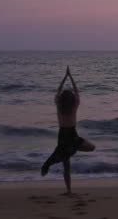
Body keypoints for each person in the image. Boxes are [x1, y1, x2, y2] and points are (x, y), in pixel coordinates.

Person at [41, 66, 95, 195]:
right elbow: (77, 92)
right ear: (72, 100)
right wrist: (70, 77)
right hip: (72, 136)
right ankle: (70, 150)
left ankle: (69, 191)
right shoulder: (74, 106)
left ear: (61, 100)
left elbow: (57, 92)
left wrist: (64, 78)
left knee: (67, 166)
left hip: (62, 137)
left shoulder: (59, 106)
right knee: (92, 147)